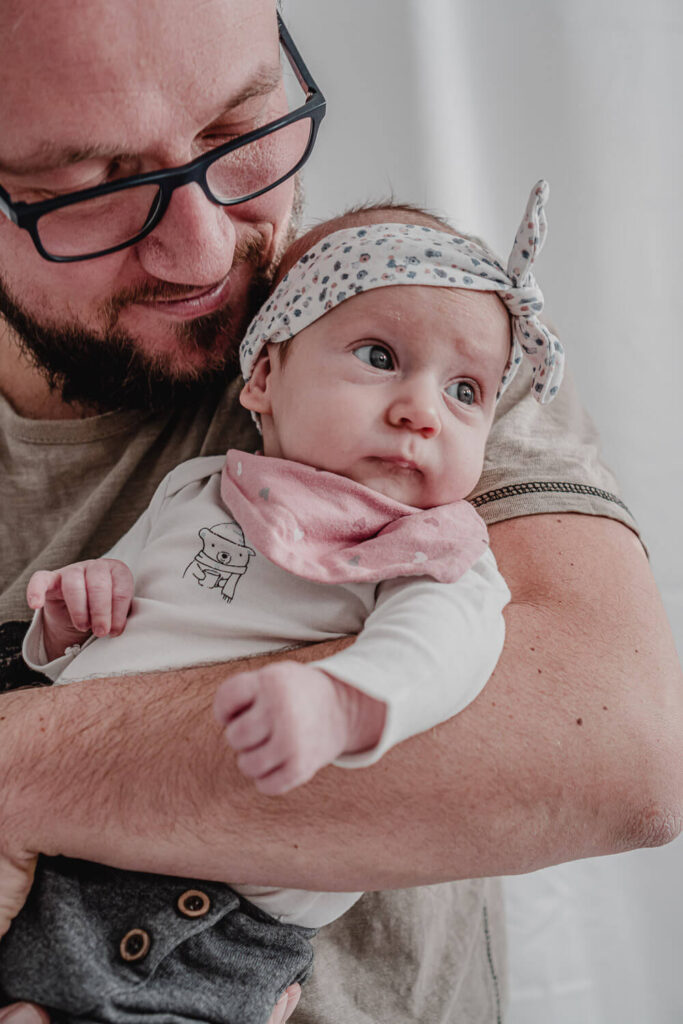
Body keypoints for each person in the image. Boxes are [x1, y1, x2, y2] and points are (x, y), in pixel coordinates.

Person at [0, 2, 680, 1024]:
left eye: (238, 132)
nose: (201, 251)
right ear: (264, 381)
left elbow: (614, 749)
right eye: (92, 189)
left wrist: (20, 767)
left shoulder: (404, 315)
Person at [9, 188, 561, 1021]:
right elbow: (102, 622)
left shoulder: (429, 553)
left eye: (466, 392)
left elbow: (442, 653)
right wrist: (73, 611)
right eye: (378, 357)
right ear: (264, 377)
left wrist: (342, 701)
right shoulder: (202, 488)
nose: (420, 411)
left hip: (198, 908)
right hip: (61, 833)